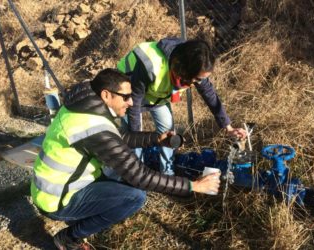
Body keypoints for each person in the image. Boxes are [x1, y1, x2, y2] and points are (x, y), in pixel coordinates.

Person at [30, 68, 221, 250]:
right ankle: (70, 238)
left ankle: (81, 217)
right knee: (134, 197)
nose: (131, 102)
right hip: (58, 200)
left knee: (122, 184)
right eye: (126, 97)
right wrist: (193, 186)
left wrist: (156, 139)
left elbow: (118, 137)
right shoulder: (92, 127)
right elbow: (141, 177)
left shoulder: (82, 106)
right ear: (106, 95)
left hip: (53, 188)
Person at [117, 37, 247, 175]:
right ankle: (134, 175)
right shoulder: (151, 65)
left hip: (155, 96)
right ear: (186, 72)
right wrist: (137, 138)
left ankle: (167, 174)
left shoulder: (195, 65)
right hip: (126, 93)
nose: (199, 82)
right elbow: (134, 104)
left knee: (167, 131)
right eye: (197, 79)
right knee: (133, 137)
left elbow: (210, 95)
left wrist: (228, 128)